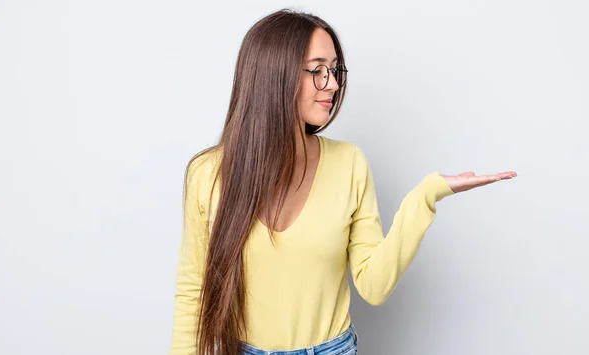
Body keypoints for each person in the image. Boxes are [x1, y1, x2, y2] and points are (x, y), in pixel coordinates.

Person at [169, 8, 517, 355]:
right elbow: (193, 293)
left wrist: (426, 195)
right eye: (318, 69)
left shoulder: (349, 163)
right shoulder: (208, 174)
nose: (333, 83)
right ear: (275, 74)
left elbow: (374, 286)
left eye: (335, 70)